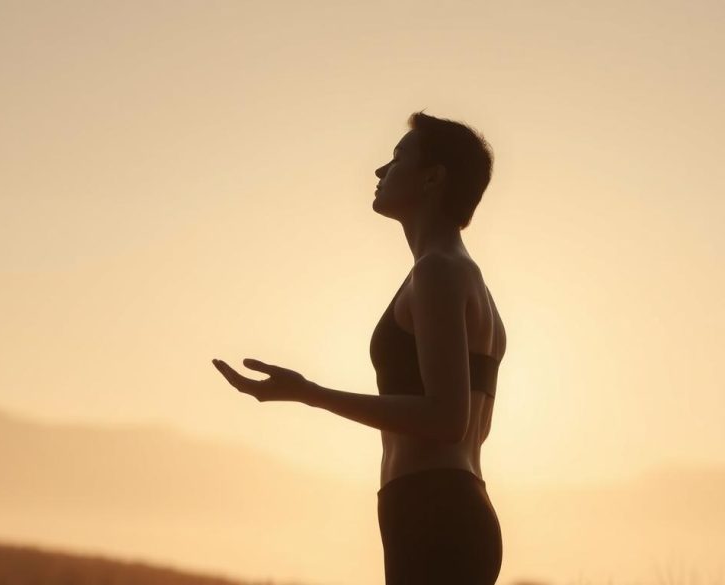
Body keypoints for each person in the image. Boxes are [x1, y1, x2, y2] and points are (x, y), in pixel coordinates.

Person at [212, 110, 506, 585]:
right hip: (441, 509)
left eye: (397, 158)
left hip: (435, 514)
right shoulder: (459, 276)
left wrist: (310, 393)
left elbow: (447, 420)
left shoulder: (438, 273)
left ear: (432, 178)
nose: (379, 171)